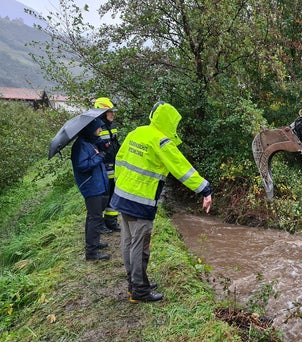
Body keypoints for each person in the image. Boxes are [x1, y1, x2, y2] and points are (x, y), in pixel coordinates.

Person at [110, 101, 212, 303]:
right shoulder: (161, 141)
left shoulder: (137, 132)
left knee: (128, 242)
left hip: (122, 194)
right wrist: (204, 189)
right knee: (140, 246)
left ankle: (135, 282)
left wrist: (121, 187)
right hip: (140, 201)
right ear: (169, 122)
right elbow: (181, 168)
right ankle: (139, 290)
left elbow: (119, 159)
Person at [71, 117, 111, 261]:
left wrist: (102, 147)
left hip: (97, 184)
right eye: (98, 128)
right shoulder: (81, 145)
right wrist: (99, 156)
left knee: (93, 216)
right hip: (91, 186)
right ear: (90, 129)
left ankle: (94, 244)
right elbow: (82, 165)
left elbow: (94, 151)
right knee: (95, 218)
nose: (101, 130)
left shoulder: (88, 142)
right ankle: (91, 253)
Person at [94, 97, 121, 233]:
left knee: (113, 195)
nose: (112, 114)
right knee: (102, 198)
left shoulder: (112, 126)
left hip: (114, 167)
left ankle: (111, 221)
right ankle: (100, 224)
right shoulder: (95, 128)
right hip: (102, 169)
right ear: (102, 112)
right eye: (110, 111)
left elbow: (116, 145)